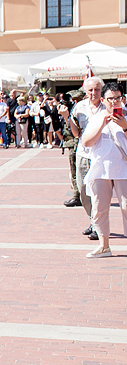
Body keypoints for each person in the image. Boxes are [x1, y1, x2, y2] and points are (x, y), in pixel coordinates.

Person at [81, 82, 127, 258]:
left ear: (122, 98)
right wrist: (101, 125)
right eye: (110, 99)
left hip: (123, 167)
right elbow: (86, 142)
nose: (114, 102)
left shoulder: (126, 115)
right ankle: (104, 245)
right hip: (101, 168)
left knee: (126, 206)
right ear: (103, 99)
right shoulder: (97, 116)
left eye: (118, 98)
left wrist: (125, 126)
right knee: (100, 207)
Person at [71, 78, 105, 240]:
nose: (94, 93)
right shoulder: (79, 107)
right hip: (83, 153)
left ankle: (98, 226)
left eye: (97, 89)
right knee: (83, 188)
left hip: (101, 154)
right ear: (86, 91)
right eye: (91, 90)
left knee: (99, 192)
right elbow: (76, 133)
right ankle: (93, 221)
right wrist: (66, 117)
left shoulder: (108, 106)